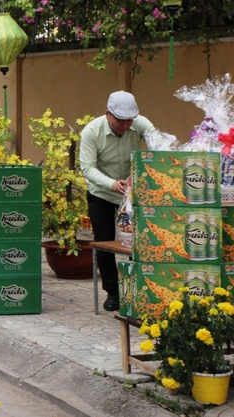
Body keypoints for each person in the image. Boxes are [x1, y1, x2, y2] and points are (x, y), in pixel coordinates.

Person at [79, 90, 155, 312]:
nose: (125, 125)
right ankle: (113, 292)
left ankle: (140, 288)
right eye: (120, 121)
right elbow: (87, 168)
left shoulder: (140, 124)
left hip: (133, 193)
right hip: (102, 191)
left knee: (140, 239)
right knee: (104, 241)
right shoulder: (92, 132)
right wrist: (112, 184)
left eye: (129, 121)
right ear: (107, 115)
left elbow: (157, 147)